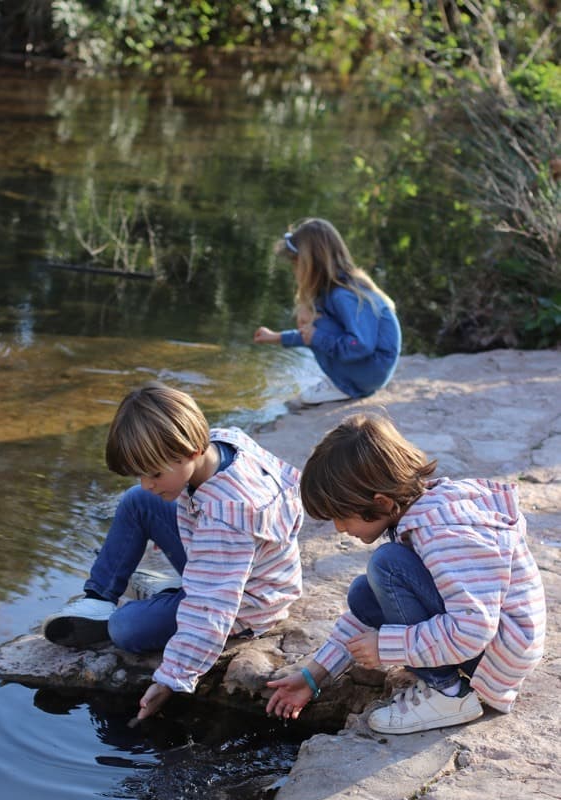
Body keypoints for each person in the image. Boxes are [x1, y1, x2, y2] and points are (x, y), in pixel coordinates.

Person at [266, 414, 546, 734]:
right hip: (492, 644)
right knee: (364, 591)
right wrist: (314, 675)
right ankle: (444, 683)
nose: (340, 529)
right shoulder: (419, 514)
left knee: (387, 565)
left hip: (498, 656)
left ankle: (448, 694)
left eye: (342, 517)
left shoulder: (443, 534)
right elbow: (367, 613)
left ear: (381, 503)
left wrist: (387, 645)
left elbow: (472, 630)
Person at [43, 382, 304, 721]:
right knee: (139, 502)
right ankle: (99, 598)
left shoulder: (227, 517)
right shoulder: (224, 441)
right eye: (141, 473)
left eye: (153, 473)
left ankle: (160, 599)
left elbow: (211, 610)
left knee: (125, 628)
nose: (146, 482)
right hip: (232, 562)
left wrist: (172, 678)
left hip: (246, 601)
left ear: (193, 450)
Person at [253, 218, 401, 405]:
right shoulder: (337, 288)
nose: (294, 270)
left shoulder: (343, 296)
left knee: (315, 323)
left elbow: (360, 345)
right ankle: (344, 380)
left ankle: (344, 386)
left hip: (369, 374)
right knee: (315, 324)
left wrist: (317, 336)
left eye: (295, 263)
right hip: (371, 370)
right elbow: (316, 334)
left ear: (309, 264)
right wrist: (277, 337)